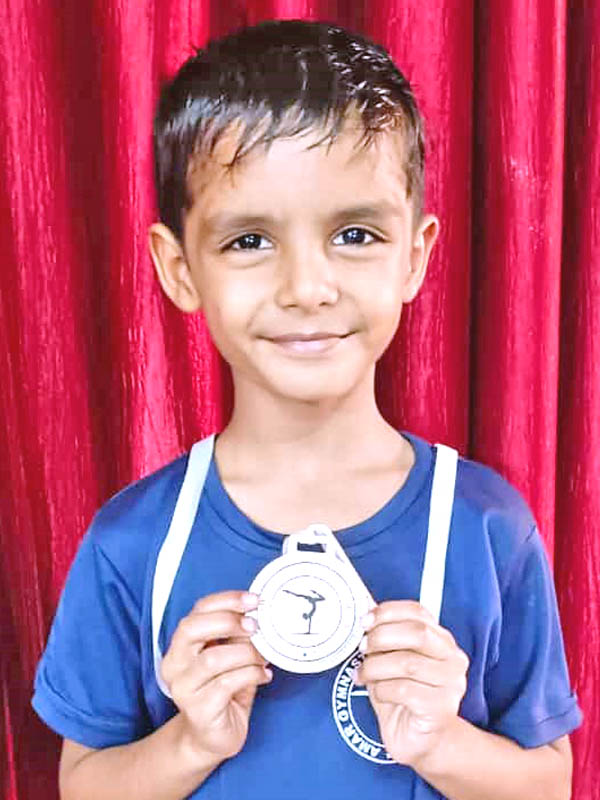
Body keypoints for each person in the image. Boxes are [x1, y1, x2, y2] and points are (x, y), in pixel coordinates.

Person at [32, 19, 582, 800]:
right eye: (249, 241)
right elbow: (83, 786)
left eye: (354, 234)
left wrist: (443, 744)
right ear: (179, 268)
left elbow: (549, 783)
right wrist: (191, 744)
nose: (306, 287)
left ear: (415, 255)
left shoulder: (488, 528)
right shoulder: (132, 543)